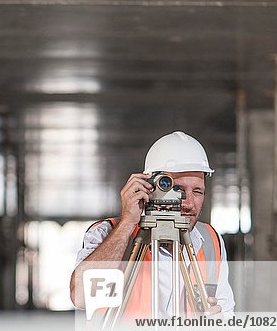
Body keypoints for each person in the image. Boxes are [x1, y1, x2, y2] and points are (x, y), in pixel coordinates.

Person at [69, 131, 235, 319]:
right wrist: (127, 223)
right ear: (151, 185)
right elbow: (81, 297)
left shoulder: (211, 242)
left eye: (197, 191)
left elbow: (227, 314)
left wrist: (216, 320)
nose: (188, 203)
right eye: (178, 189)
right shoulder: (106, 233)